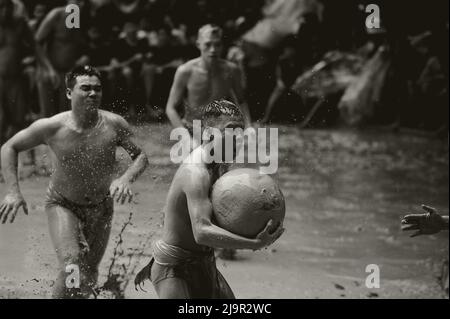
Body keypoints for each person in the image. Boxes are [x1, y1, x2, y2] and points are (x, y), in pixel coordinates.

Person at [0, 65, 149, 298]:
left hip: (102, 207)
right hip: (63, 203)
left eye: (97, 89)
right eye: (85, 88)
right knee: (72, 263)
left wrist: (125, 178)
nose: (93, 93)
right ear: (69, 93)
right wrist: (13, 192)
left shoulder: (114, 124)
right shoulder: (52, 127)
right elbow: (9, 147)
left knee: (88, 276)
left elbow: (140, 156)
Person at [135, 99, 283, 299]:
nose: (237, 138)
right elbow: (202, 233)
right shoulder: (196, 173)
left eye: (241, 131)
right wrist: (253, 243)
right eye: (230, 130)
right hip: (174, 267)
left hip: (203, 261)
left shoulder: (221, 162)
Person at [165, 24, 251, 139]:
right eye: (208, 44)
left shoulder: (232, 70)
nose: (213, 50)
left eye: (217, 44)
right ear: (198, 45)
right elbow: (170, 108)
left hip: (220, 130)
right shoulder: (185, 71)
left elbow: (241, 101)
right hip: (192, 128)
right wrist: (186, 137)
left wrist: (248, 126)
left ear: (222, 46)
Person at [0, 0, 50, 145]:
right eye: (0, 7)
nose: (3, 11)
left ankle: (10, 152)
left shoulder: (20, 24)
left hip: (15, 78)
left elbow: (35, 46)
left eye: (6, 7)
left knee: (18, 120)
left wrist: (48, 68)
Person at [35, 0, 88, 118]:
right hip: (48, 71)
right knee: (47, 117)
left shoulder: (77, 18)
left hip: (67, 72)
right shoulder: (56, 15)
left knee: (65, 116)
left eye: (83, 2)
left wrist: (81, 58)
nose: (81, 4)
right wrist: (48, 69)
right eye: (78, 1)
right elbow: (37, 43)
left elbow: (73, 45)